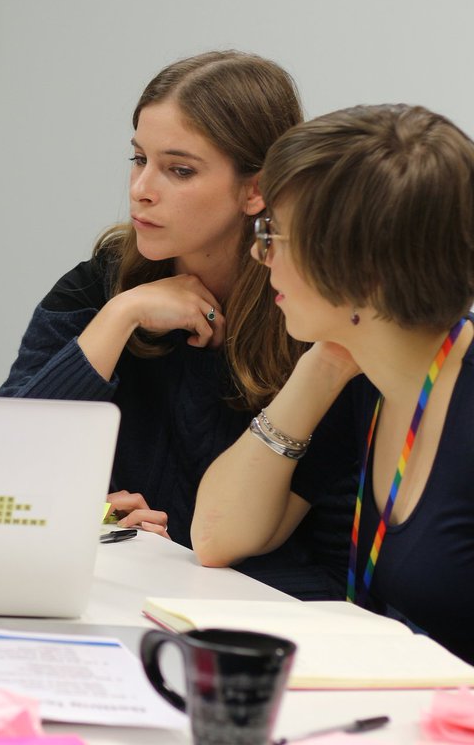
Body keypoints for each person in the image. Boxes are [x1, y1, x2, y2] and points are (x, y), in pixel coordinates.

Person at [0, 51, 349, 597]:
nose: (142, 188)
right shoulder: (99, 286)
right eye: (139, 158)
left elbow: (328, 561)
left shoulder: (312, 320)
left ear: (256, 189)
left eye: (179, 170)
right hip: (114, 596)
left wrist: (173, 555)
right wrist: (121, 316)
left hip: (257, 620)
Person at [192, 104, 474, 663]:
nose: (258, 252)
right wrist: (320, 368)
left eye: (274, 235)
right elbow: (217, 537)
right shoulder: (367, 379)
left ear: (362, 270)